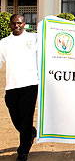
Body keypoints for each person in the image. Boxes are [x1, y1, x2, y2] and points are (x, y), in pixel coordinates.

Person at [0, 14, 38, 161]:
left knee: (26, 116)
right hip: (11, 86)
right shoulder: (4, 43)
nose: (17, 26)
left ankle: (23, 150)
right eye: (14, 23)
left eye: (20, 23)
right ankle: (30, 132)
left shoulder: (34, 39)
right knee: (16, 117)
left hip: (30, 84)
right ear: (10, 25)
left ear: (24, 24)